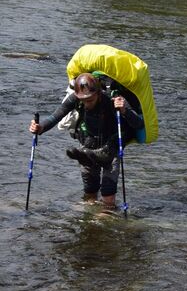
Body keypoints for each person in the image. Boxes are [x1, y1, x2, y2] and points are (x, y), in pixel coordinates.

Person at [28, 73, 144, 209]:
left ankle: (107, 214)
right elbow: (56, 116)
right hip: (89, 145)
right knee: (90, 190)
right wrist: (41, 128)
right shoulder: (76, 98)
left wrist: (124, 110)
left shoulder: (113, 98)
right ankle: (90, 218)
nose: (86, 103)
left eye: (90, 99)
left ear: (98, 93)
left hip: (110, 148)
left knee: (108, 192)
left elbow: (139, 124)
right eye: (83, 100)